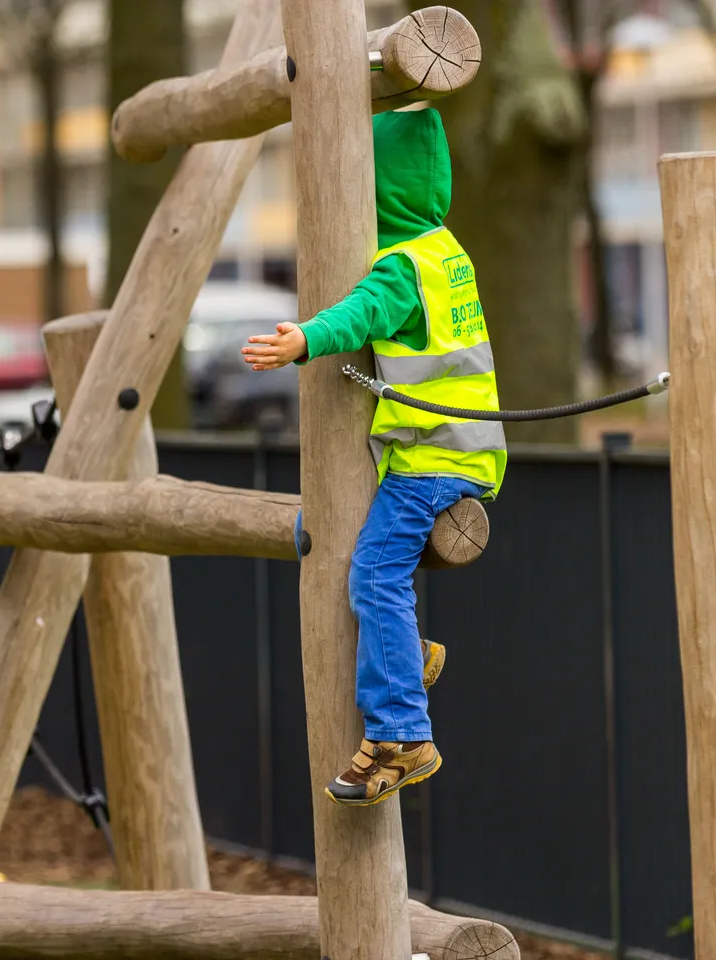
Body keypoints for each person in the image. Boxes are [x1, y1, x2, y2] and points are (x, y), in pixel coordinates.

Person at [241, 107, 507, 807]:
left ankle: (400, 734)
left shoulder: (401, 267)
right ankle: (404, 656)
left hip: (428, 458)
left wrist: (303, 339)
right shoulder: (448, 251)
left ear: (376, 188)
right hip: (467, 452)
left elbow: (361, 311)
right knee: (382, 579)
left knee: (371, 578)